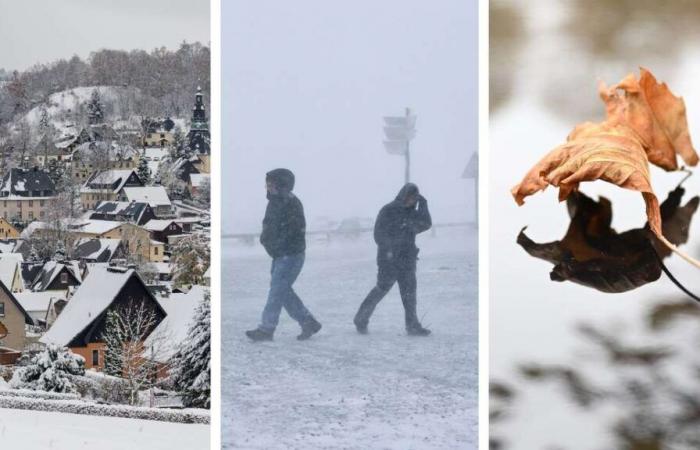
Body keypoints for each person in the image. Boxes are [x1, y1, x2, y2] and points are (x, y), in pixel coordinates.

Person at [245, 168, 322, 341]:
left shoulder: (291, 203)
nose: (268, 187)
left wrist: (278, 247)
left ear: (282, 185)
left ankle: (266, 328)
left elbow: (293, 231)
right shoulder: (274, 203)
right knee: (282, 291)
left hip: (290, 255)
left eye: (271, 184)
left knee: (276, 292)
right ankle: (308, 321)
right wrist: (268, 242)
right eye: (267, 184)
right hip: (280, 255)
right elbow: (269, 227)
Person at [353, 183, 432, 336]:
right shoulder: (388, 210)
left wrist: (424, 204)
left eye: (415, 199)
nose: (412, 201)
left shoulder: (412, 213)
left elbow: (426, 224)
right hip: (388, 260)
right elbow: (378, 235)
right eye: (410, 197)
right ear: (403, 195)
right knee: (381, 290)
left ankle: (412, 325)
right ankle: (360, 319)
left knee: (409, 294)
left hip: (407, 260)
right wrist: (391, 250)